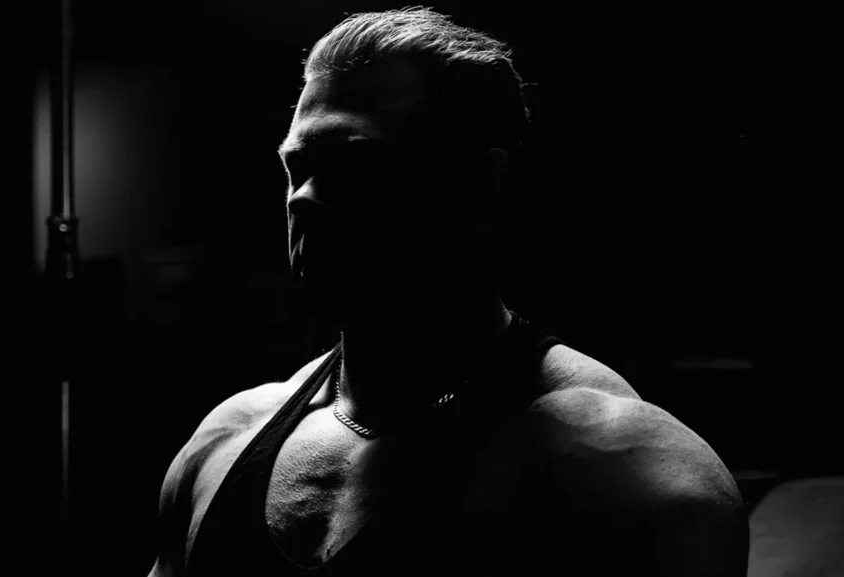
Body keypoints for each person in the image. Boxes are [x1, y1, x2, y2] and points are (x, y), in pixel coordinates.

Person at [148, 7, 749, 576]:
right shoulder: (224, 445)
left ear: (479, 188)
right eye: (296, 169)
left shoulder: (627, 473)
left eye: (350, 163)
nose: (302, 199)